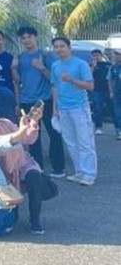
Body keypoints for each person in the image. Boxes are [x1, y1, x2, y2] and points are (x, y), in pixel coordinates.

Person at [0, 97, 56, 234]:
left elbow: (28, 139)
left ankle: (35, 220)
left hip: (22, 164)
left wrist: (33, 122)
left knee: (34, 176)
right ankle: (10, 217)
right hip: (0, 173)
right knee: (11, 212)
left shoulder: (5, 123)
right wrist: (17, 135)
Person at [14, 26, 65, 177]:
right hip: (26, 101)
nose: (26, 40)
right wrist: (13, 68)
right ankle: (37, 168)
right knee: (32, 136)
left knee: (54, 133)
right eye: (23, 38)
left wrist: (42, 67)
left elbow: (55, 79)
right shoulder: (21, 57)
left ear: (36, 37)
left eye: (29, 36)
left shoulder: (47, 55)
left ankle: (58, 168)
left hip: (46, 100)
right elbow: (18, 81)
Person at [49, 36, 96, 185]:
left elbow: (90, 86)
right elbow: (55, 87)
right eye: (56, 47)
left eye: (62, 46)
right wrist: (55, 109)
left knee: (84, 141)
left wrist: (72, 80)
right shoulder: (55, 65)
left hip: (79, 108)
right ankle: (79, 171)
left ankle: (89, 173)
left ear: (69, 47)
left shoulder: (81, 64)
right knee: (70, 142)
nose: (59, 49)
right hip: (63, 109)